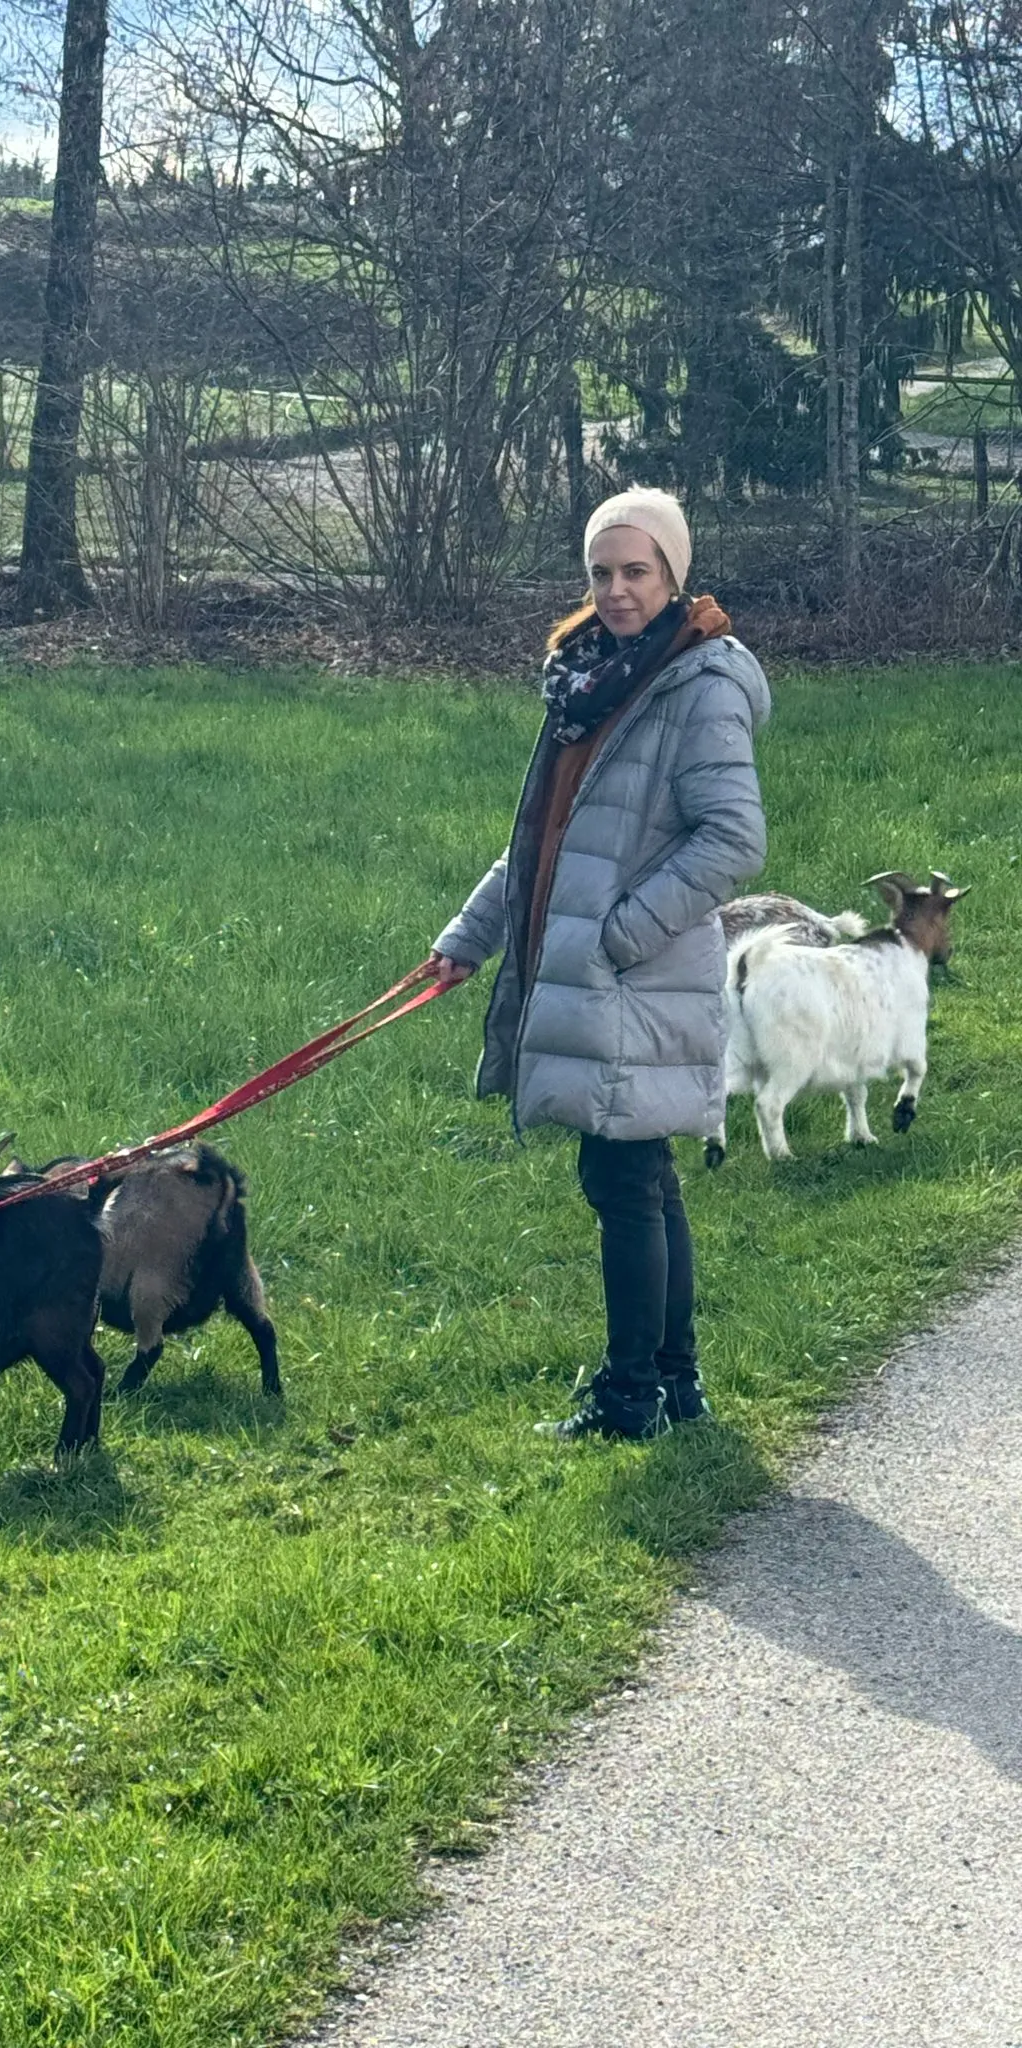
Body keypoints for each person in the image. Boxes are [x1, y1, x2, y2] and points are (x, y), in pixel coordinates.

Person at [430, 487, 769, 1441]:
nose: (617, 590)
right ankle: (675, 1385)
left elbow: (734, 840)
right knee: (642, 1179)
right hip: (596, 966)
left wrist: (619, 932)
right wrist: (469, 937)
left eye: (637, 571)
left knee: (624, 1185)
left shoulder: (697, 684)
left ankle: (631, 1400)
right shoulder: (593, 676)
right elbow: (544, 839)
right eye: (602, 572)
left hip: (635, 972)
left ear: (674, 576)